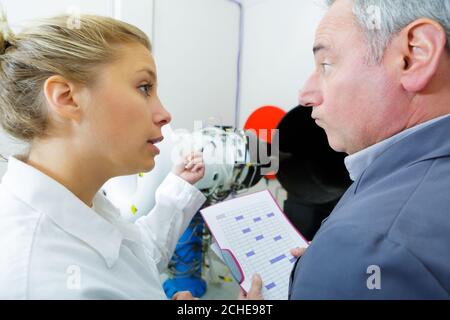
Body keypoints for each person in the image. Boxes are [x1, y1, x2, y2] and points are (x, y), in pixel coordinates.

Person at [246, 0, 450, 299]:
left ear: (414, 55)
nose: (305, 95)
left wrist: (342, 259)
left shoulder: (365, 246)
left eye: (326, 65)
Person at [0, 13, 207, 299]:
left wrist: (178, 188)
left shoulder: (78, 201)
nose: (164, 115)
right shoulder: (40, 280)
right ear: (66, 98)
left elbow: (131, 260)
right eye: (144, 88)